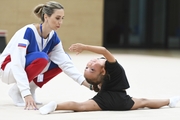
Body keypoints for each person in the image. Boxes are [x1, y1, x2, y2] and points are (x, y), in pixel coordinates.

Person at [39, 43, 180, 114]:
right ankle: (170, 101)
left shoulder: (108, 71)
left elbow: (102, 58)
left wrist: (85, 48)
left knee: (80, 106)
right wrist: (84, 47)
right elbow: (104, 51)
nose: (88, 65)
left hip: (103, 100)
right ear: (103, 71)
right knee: (144, 101)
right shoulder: (112, 66)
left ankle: (56, 106)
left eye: (88, 68)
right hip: (122, 101)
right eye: (89, 69)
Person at [0, 1, 90, 110]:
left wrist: (90, 85)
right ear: (46, 17)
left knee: (63, 61)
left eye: (62, 18)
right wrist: (25, 93)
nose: (60, 22)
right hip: (8, 68)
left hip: (24, 68)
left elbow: (66, 64)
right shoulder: (27, 32)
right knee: (42, 58)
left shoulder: (53, 37)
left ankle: (31, 88)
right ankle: (16, 91)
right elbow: (17, 63)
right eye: (57, 18)